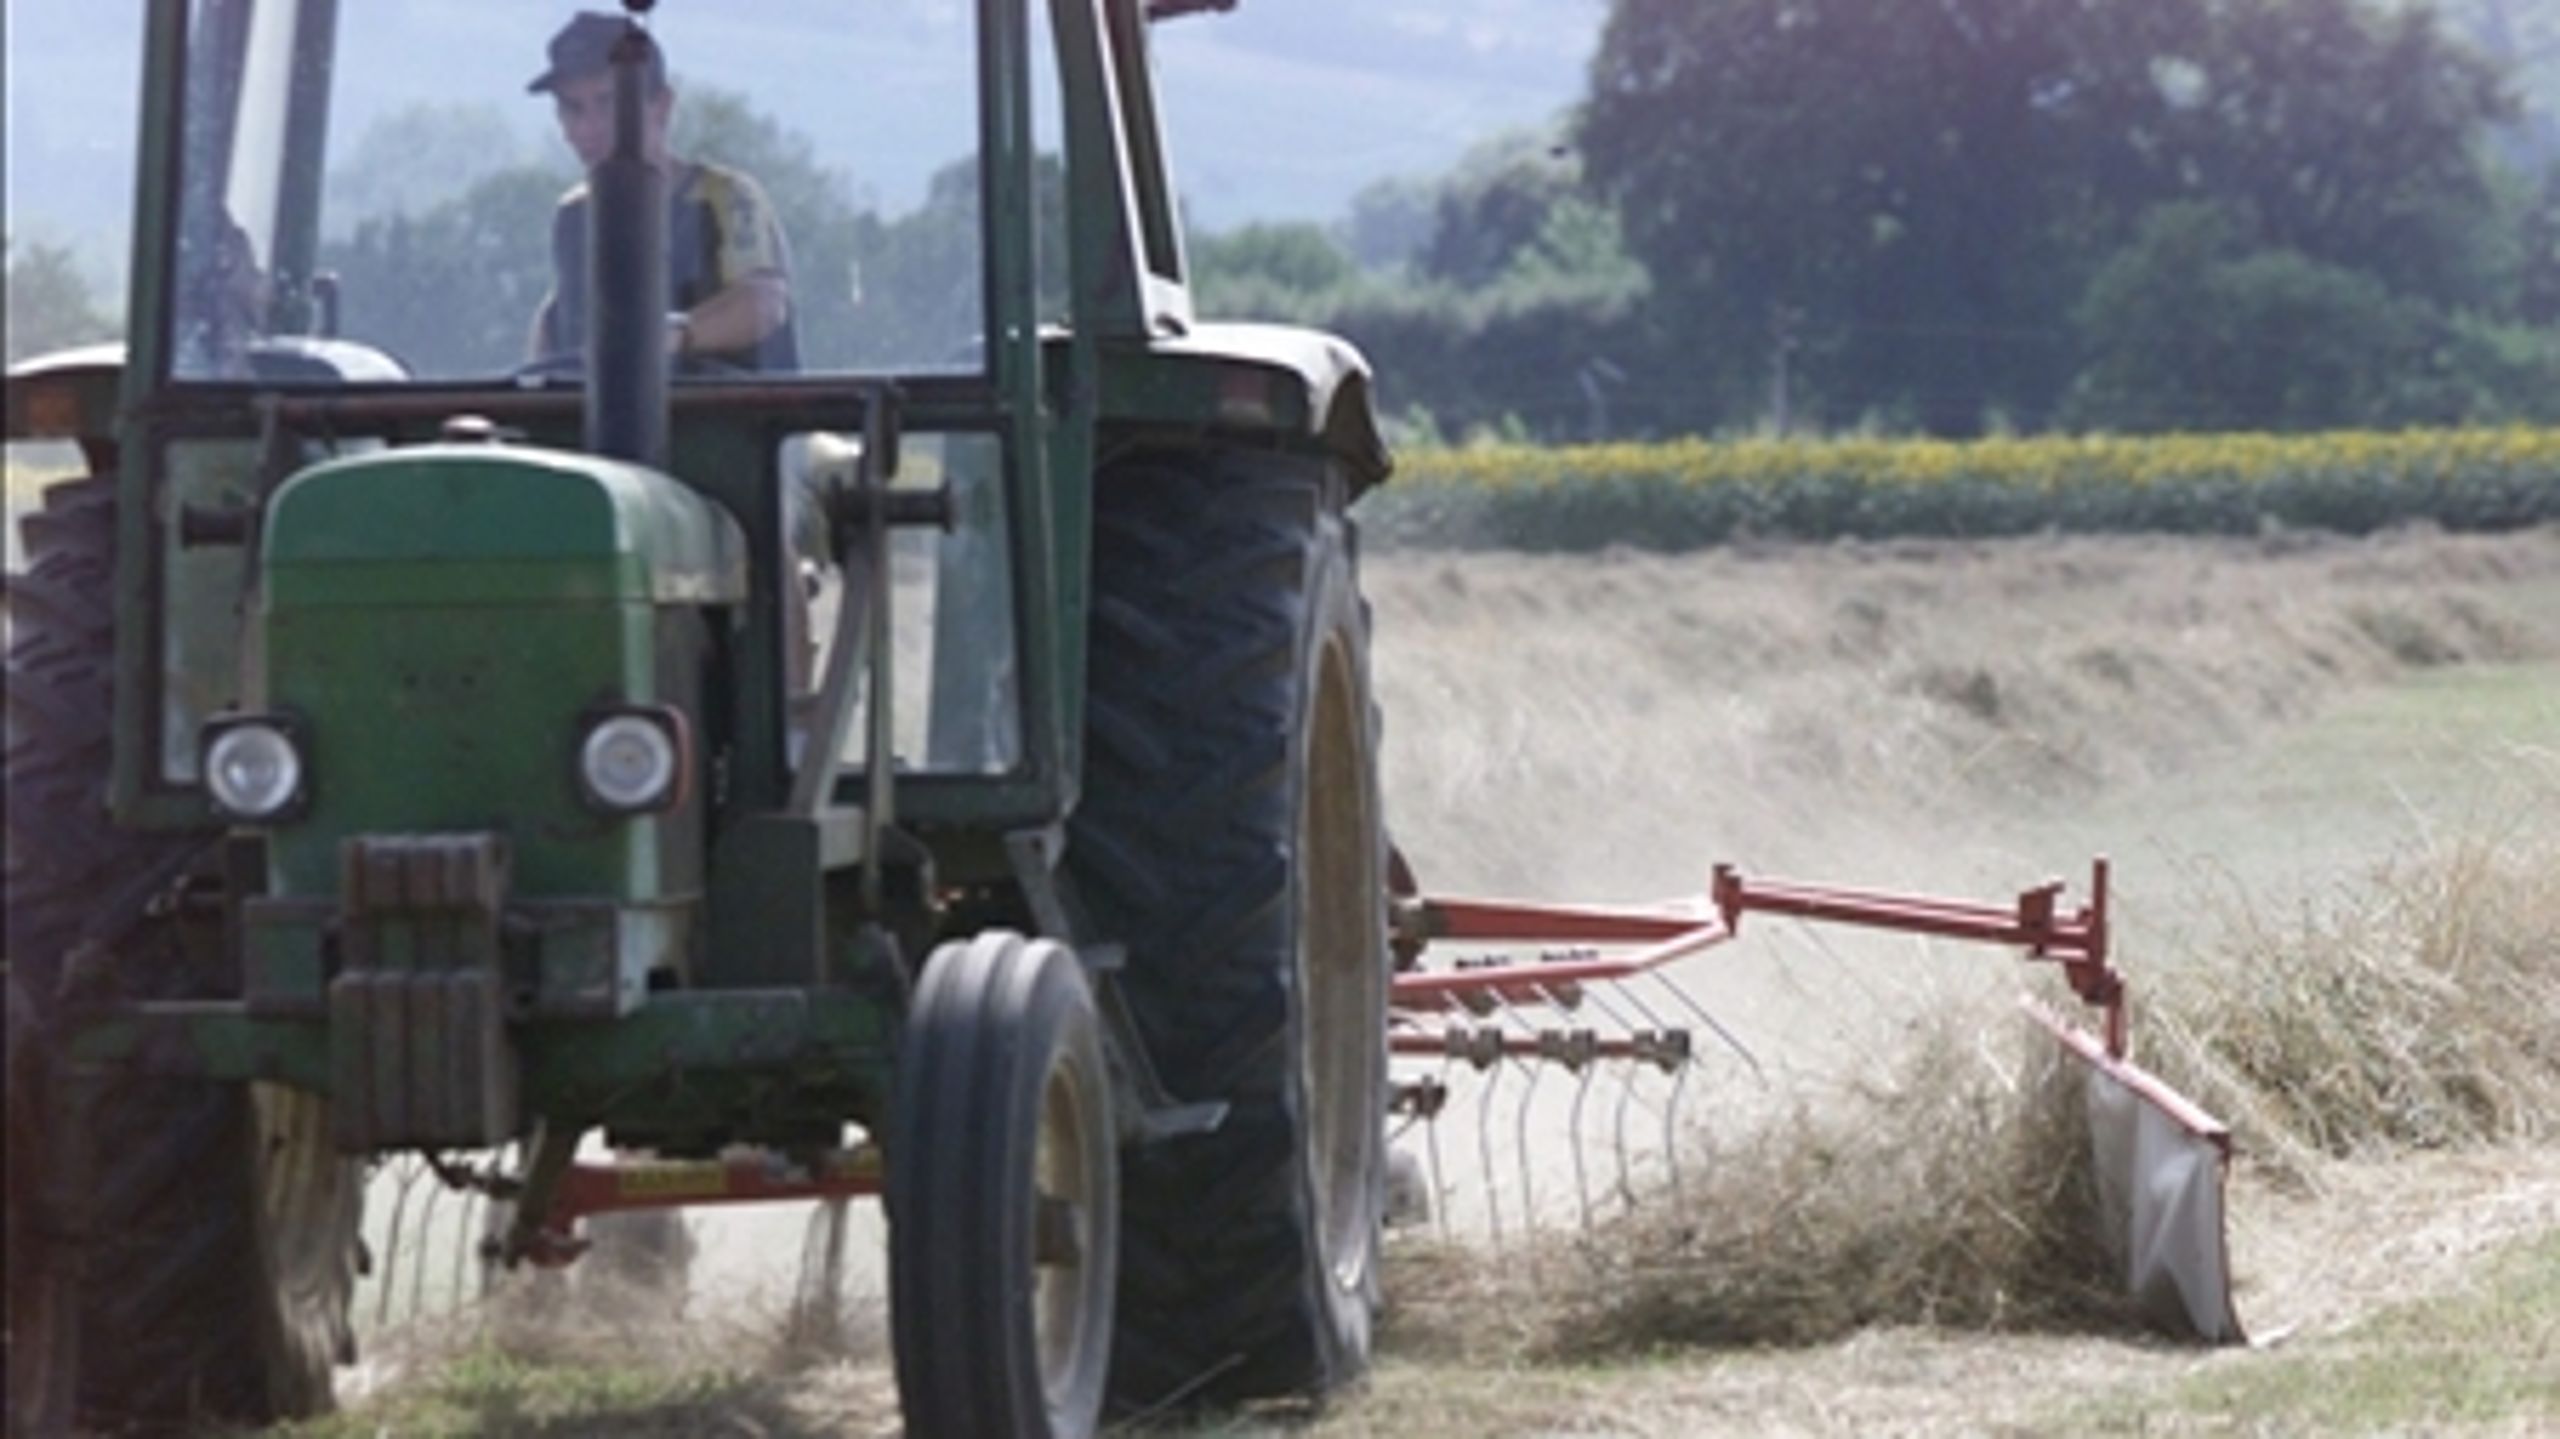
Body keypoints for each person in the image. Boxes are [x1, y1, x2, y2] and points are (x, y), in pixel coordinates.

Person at [527, 12, 799, 371]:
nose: (587, 127)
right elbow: (557, 322)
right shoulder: (574, 215)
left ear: (661, 106)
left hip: (728, 418)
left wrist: (675, 336)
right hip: (597, 419)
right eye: (572, 109)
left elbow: (763, 302)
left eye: (608, 103)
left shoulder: (725, 198)